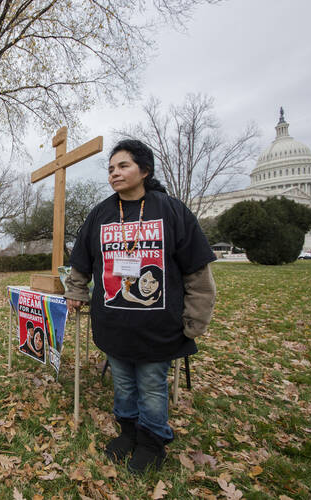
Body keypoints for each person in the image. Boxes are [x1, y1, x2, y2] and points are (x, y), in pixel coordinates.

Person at [64, 139, 217, 474]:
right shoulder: (101, 214)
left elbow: (197, 272)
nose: (115, 173)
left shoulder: (172, 211)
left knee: (150, 385)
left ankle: (152, 442)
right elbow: (80, 263)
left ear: (144, 170)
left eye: (123, 166)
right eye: (111, 168)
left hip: (158, 327)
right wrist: (75, 292)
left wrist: (196, 318)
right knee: (124, 384)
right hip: (114, 324)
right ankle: (128, 432)